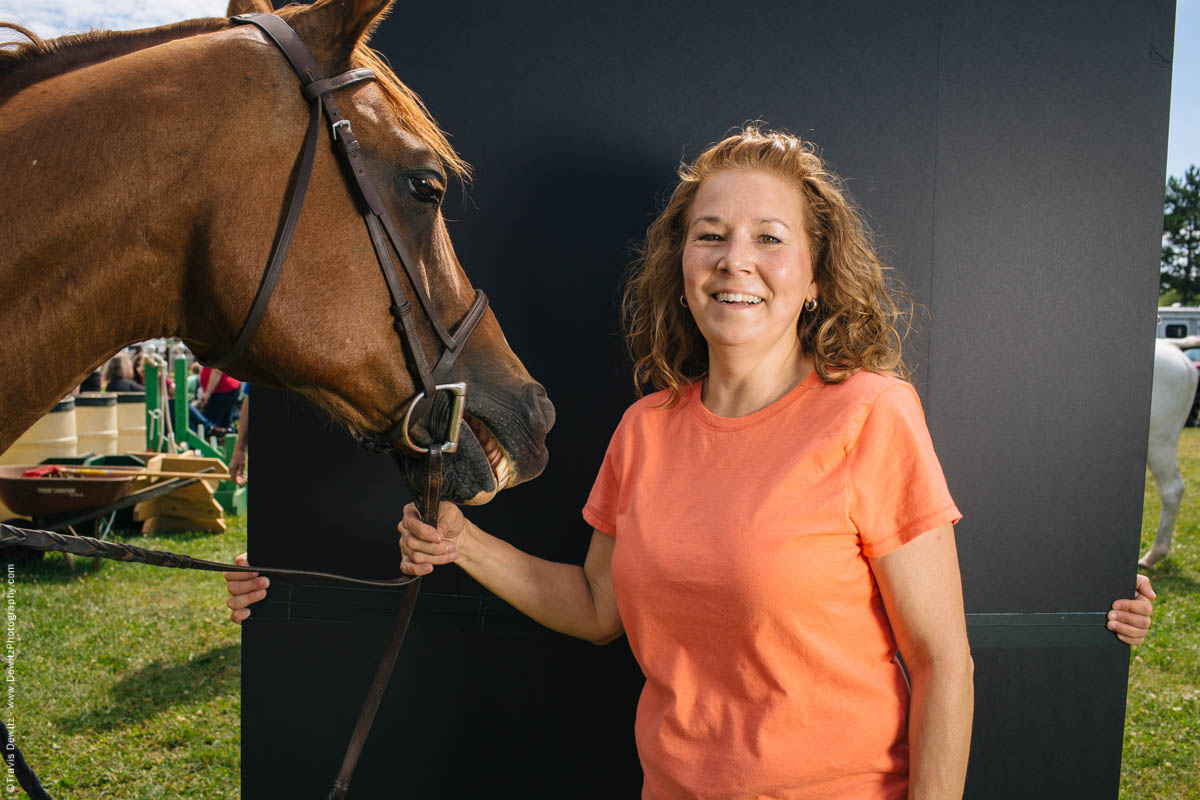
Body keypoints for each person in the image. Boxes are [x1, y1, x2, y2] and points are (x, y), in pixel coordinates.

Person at [224, 128, 1157, 798]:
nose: (733, 260)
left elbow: (942, 663)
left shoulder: (872, 415)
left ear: (817, 275)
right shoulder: (644, 431)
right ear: (681, 262)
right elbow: (598, 612)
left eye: (767, 237)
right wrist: (463, 543)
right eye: (709, 234)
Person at [198, 365, 240, 435]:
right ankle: (231, 442)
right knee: (226, 423)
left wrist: (207, 393)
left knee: (209, 424)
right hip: (227, 389)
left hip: (222, 391)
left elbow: (217, 371)